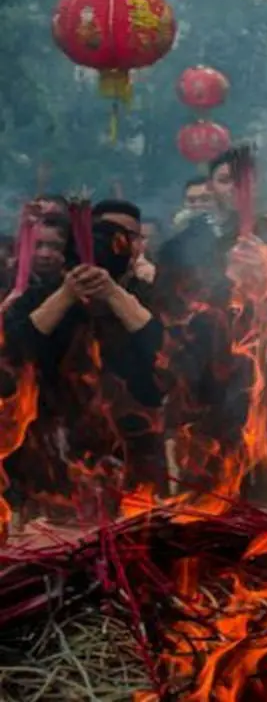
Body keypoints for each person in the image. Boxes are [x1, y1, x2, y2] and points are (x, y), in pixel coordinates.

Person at [2, 204, 168, 518]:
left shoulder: (146, 294)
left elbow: (165, 350)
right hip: (53, 446)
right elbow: (16, 350)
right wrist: (66, 295)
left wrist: (113, 294)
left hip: (131, 440)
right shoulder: (39, 297)